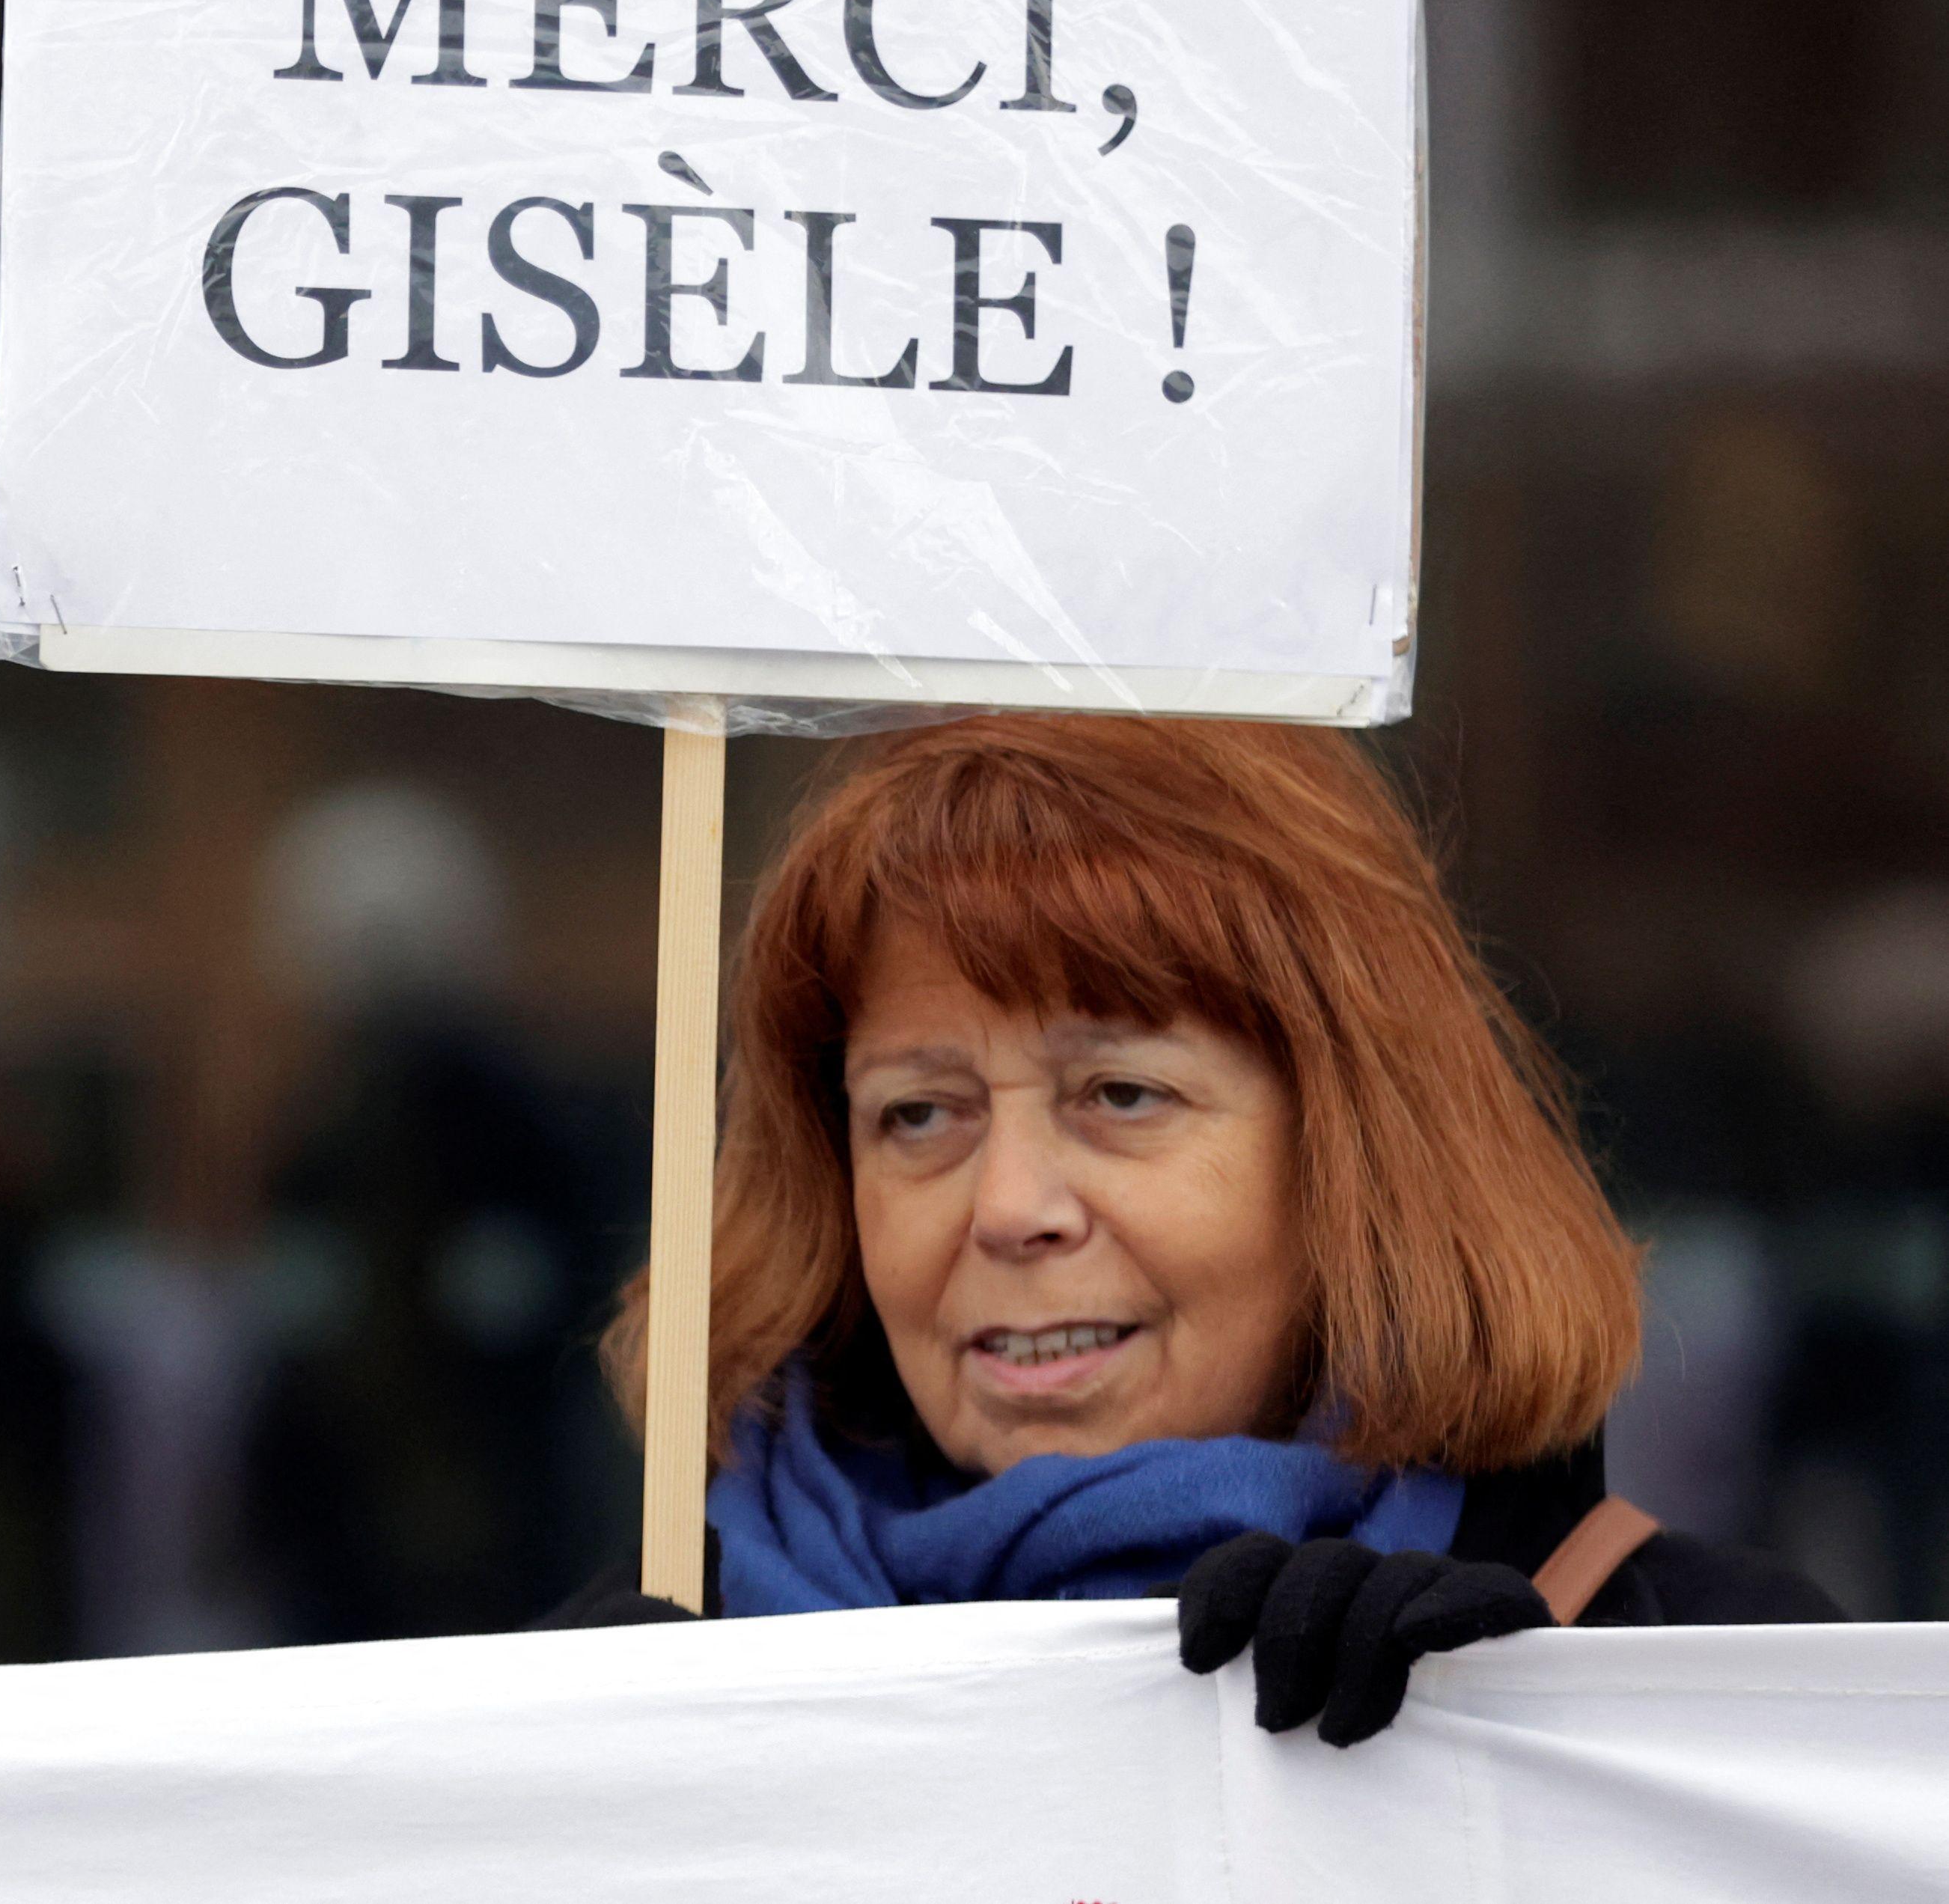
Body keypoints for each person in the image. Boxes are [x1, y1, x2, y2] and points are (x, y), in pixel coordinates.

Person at [561, 715, 1834, 1743]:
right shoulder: (619, 1695)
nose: (1009, 1208)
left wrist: (1503, 1797)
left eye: (1121, 1094)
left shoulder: (1713, 1690)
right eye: (918, 1114)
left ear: (1351, 1148)